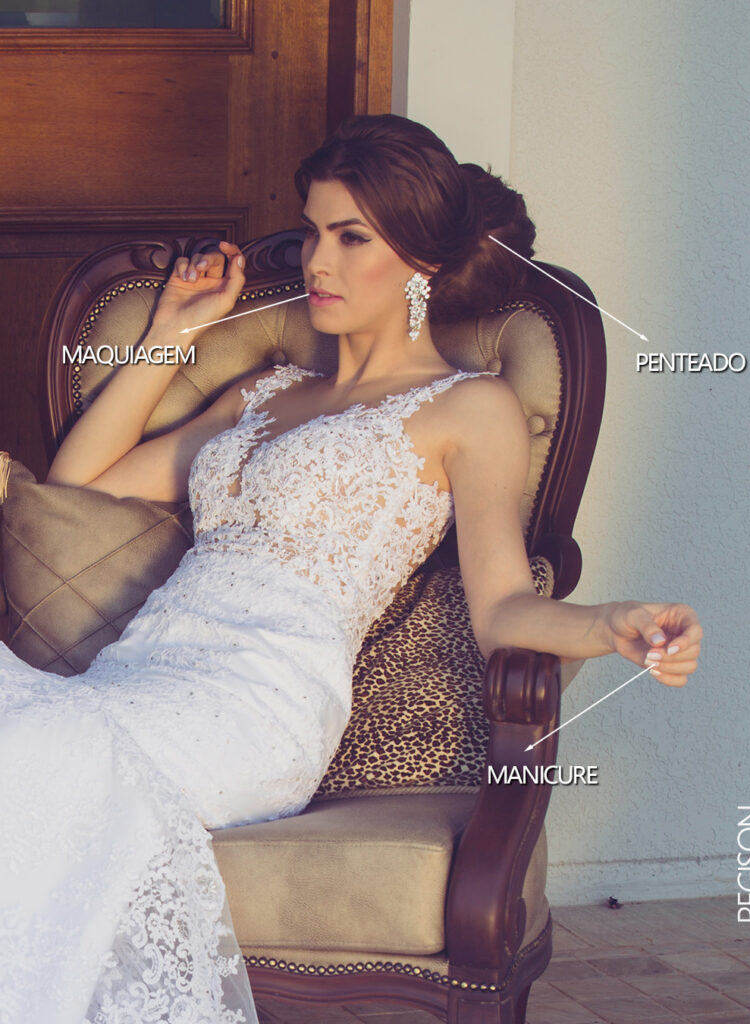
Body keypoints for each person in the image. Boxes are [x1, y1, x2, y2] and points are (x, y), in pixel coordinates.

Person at [0, 113, 702, 1024]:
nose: (317, 262)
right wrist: (175, 327)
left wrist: (609, 624)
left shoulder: (468, 407)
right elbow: (79, 485)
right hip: (133, 677)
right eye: (312, 232)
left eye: (351, 237)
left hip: (254, 706)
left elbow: (500, 606)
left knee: (34, 756)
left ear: (421, 261)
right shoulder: (265, 393)